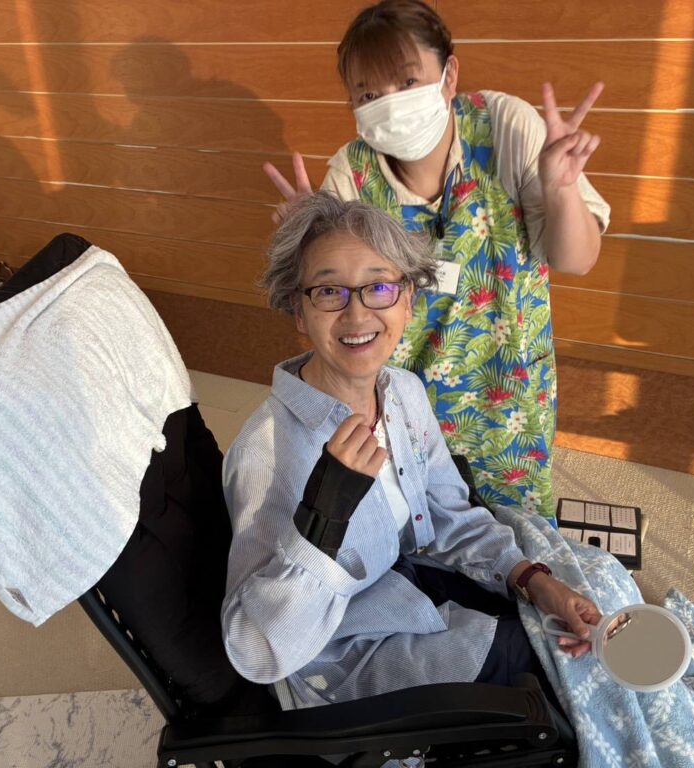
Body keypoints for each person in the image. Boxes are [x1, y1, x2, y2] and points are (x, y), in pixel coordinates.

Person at [221, 192, 600, 708]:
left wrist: (530, 579)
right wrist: (323, 518)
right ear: (298, 311)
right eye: (329, 291)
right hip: (345, 653)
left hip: (410, 582)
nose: (357, 314)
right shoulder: (265, 452)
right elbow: (256, 649)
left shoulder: (403, 392)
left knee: (585, 604)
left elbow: (447, 512)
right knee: (561, 664)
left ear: (407, 302)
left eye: (379, 287)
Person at [264, 0, 610, 519]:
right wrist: (307, 239)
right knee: (415, 529)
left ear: (449, 75)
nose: (390, 103)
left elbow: (576, 259)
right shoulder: (351, 175)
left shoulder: (503, 126)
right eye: (368, 94)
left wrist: (561, 189)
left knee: (513, 536)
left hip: (506, 388)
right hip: (403, 402)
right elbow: (330, 308)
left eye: (407, 82)